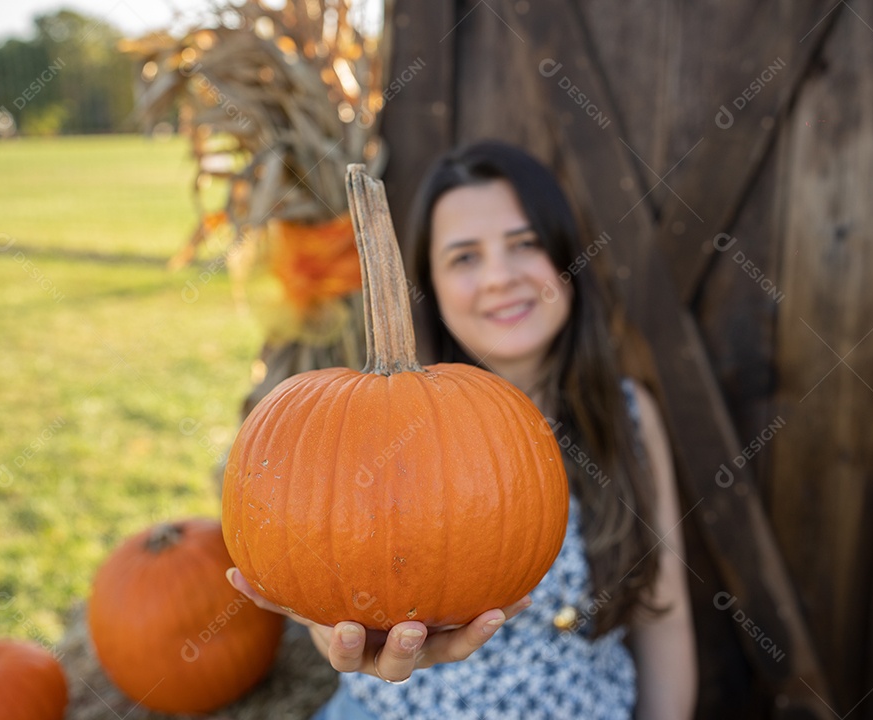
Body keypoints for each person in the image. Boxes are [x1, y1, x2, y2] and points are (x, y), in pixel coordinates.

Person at [228, 140, 697, 719]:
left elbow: (665, 616)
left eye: (524, 244)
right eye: (465, 258)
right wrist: (335, 628)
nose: (499, 277)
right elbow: (332, 565)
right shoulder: (375, 429)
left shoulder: (629, 416)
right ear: (431, 285)